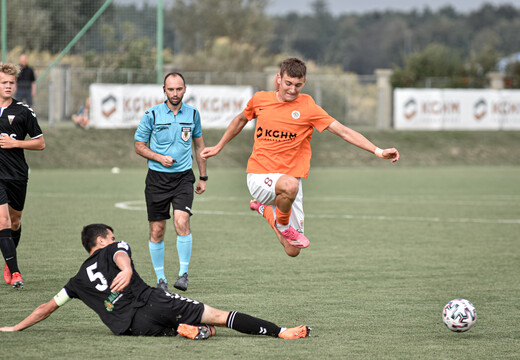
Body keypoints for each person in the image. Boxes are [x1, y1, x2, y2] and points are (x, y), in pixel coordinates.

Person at [201, 57, 399, 257]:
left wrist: (378, 151)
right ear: (278, 79)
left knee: (293, 250)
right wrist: (219, 146)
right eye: (288, 83)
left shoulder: (308, 107)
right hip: (260, 175)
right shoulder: (260, 99)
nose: (292, 90)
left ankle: (265, 210)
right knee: (289, 185)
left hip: (289, 183)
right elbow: (241, 119)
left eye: (298, 85)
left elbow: (343, 131)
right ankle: (283, 222)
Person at [0, 223, 311, 340]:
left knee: (182, 328)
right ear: (102, 239)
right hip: (151, 301)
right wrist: (125, 270)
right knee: (220, 316)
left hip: (129, 328)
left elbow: (46, 308)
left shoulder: (77, 281)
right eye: (111, 235)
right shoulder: (114, 246)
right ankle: (280, 332)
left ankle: (184, 331)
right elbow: (121, 256)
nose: (114, 238)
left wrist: (15, 327)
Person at [134, 72, 207, 292]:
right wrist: (159, 157)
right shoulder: (152, 115)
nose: (175, 93)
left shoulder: (193, 114)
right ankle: (160, 280)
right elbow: (139, 145)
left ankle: (183, 275)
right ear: (164, 90)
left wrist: (203, 177)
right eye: (171, 89)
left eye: (179, 89)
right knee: (157, 230)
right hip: (157, 179)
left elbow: (200, 147)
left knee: (181, 222)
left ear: (185, 89)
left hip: (184, 177)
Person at [0, 62, 45, 289]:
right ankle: (16, 272)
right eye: (3, 82)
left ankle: (9, 262)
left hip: (17, 174)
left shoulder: (23, 111)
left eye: (11, 82)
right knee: (2, 220)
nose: (8, 86)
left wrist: (14, 143)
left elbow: (40, 143)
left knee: (15, 222)